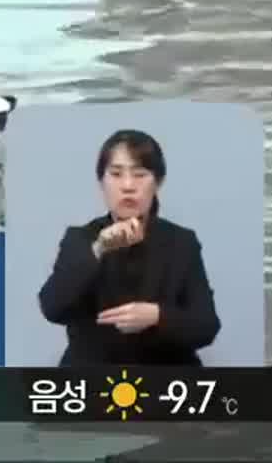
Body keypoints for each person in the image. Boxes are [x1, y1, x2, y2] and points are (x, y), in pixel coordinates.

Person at [36, 128, 221, 366]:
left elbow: (206, 325)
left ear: (158, 182)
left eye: (140, 174)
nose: (128, 186)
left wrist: (157, 316)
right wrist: (99, 249)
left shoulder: (181, 242)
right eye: (116, 174)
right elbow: (52, 308)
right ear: (101, 181)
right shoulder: (81, 239)